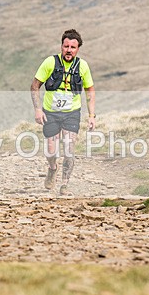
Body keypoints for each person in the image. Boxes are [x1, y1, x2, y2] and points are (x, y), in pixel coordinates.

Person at [30, 29, 96, 195]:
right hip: (50, 113)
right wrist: (38, 110)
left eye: (73, 47)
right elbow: (34, 86)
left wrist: (91, 116)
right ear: (61, 46)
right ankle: (52, 168)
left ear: (78, 49)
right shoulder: (50, 63)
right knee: (51, 151)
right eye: (66, 46)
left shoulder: (83, 66)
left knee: (69, 149)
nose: (69, 50)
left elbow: (90, 91)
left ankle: (64, 184)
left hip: (71, 113)